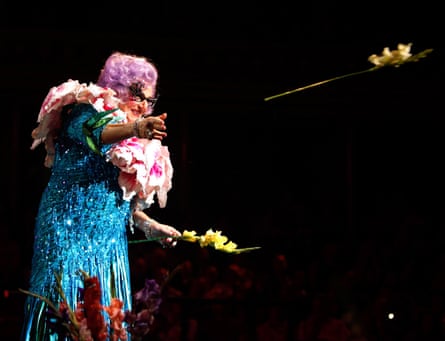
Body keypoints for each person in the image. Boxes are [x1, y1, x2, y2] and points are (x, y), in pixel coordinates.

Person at [21, 51, 182, 340]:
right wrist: (136, 127)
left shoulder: (135, 139)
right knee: (65, 314)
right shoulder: (85, 110)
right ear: (118, 87)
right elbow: (96, 133)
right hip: (67, 237)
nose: (143, 105)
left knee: (107, 321)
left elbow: (124, 202)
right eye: (136, 95)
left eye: (149, 99)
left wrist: (150, 225)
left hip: (108, 246)